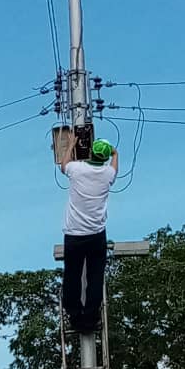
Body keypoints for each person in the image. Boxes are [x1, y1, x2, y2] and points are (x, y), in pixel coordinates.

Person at [58, 133, 118, 333]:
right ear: (106, 157)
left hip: (74, 234)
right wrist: (115, 154)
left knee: (72, 276)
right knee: (95, 276)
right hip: (96, 234)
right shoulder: (108, 174)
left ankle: (74, 316)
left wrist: (72, 145)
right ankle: (91, 318)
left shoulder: (76, 169)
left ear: (91, 152)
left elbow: (63, 165)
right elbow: (114, 167)